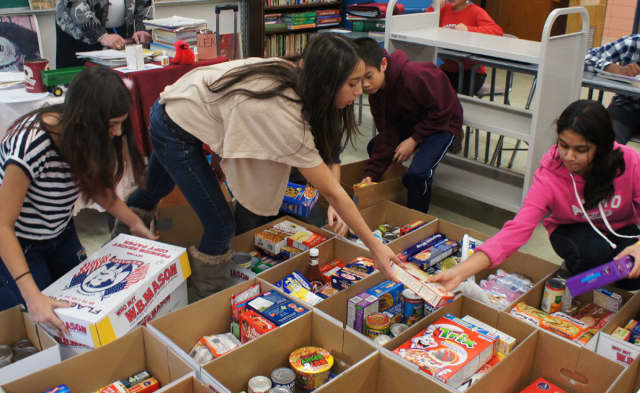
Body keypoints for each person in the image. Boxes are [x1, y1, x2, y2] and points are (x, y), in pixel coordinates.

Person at [118, 34, 400, 302]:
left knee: (156, 188)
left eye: (362, 81)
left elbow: (231, 103)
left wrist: (219, 149)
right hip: (173, 123)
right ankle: (205, 298)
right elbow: (334, 193)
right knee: (220, 225)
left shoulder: (296, 77)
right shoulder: (287, 117)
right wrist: (376, 248)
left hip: (184, 109)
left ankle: (120, 240)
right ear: (327, 82)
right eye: (352, 83)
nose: (360, 90)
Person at [0, 66, 155, 335]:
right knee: (40, 320)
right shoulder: (31, 147)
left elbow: (98, 189)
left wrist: (134, 222)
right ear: (85, 120)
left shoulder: (81, 135)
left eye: (120, 123)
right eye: (111, 125)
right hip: (19, 244)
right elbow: (3, 225)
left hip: (60, 231)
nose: (118, 133)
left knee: (77, 307)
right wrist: (32, 295)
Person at [431, 100, 640, 292]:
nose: (568, 156)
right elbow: (518, 228)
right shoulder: (551, 171)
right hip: (572, 229)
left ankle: (606, 285)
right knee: (594, 256)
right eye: (563, 145)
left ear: (601, 147)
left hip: (620, 230)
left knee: (632, 275)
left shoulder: (629, 161)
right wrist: (460, 272)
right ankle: (579, 272)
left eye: (581, 150)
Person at [353, 37, 463, 213]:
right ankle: (399, 189)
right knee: (375, 147)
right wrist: (369, 175)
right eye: (359, 80)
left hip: (443, 124)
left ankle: (416, 216)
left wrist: (413, 140)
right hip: (413, 125)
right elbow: (388, 134)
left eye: (369, 76)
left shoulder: (415, 74)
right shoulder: (376, 95)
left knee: (417, 175)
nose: (364, 85)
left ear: (383, 64)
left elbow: (444, 110)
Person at [428, 0, 503, 95]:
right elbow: (424, 24)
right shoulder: (443, 10)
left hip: (472, 72)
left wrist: (469, 29)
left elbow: (497, 31)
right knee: (427, 88)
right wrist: (434, 7)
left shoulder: (476, 12)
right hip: (447, 69)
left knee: (447, 95)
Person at [55, 0, 152, 68]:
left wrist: (141, 28)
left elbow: (143, 4)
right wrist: (101, 36)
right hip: (79, 34)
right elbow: (76, 6)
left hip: (116, 34)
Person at [584, 34, 640, 145]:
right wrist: (610, 67)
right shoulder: (633, 43)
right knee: (605, 141)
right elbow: (587, 57)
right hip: (627, 106)